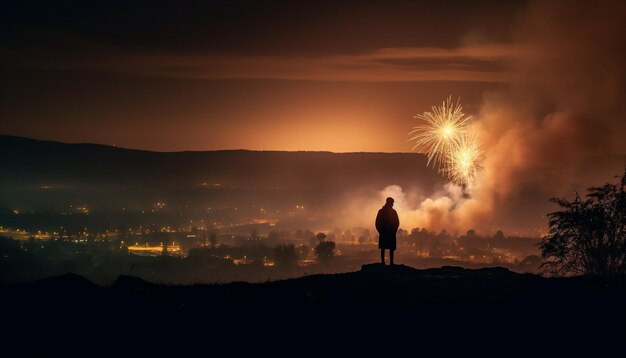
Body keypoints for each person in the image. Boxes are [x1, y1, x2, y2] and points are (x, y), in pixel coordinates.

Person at [375, 197, 399, 265]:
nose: (392, 204)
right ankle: (388, 262)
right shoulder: (391, 212)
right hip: (387, 232)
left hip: (387, 232)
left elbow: (396, 223)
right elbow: (377, 223)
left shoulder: (382, 211)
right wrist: (381, 231)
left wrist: (381, 231)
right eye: (392, 203)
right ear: (389, 203)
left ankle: (386, 262)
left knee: (385, 248)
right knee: (387, 248)